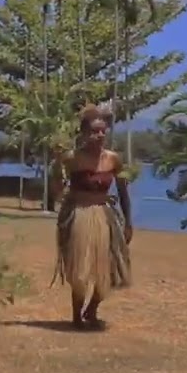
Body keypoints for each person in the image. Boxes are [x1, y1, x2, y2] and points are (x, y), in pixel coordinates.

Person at [51, 104, 133, 330]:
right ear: (84, 133)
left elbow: (124, 192)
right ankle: (77, 315)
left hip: (104, 216)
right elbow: (56, 186)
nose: (99, 135)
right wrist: (57, 170)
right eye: (94, 131)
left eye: (102, 131)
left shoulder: (113, 159)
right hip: (79, 215)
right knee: (80, 269)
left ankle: (92, 309)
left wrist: (128, 223)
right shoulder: (73, 158)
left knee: (109, 268)